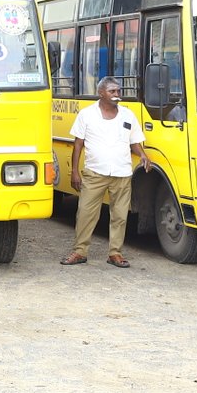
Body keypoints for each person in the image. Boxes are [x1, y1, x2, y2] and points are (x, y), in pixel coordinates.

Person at [62, 75, 152, 269]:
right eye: (112, 91)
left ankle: (115, 254)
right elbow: (78, 146)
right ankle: (79, 251)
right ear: (101, 93)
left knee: (120, 216)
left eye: (118, 91)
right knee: (86, 213)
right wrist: (75, 172)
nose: (116, 94)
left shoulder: (128, 115)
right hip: (95, 173)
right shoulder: (87, 114)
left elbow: (135, 141)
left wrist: (143, 155)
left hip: (122, 173)